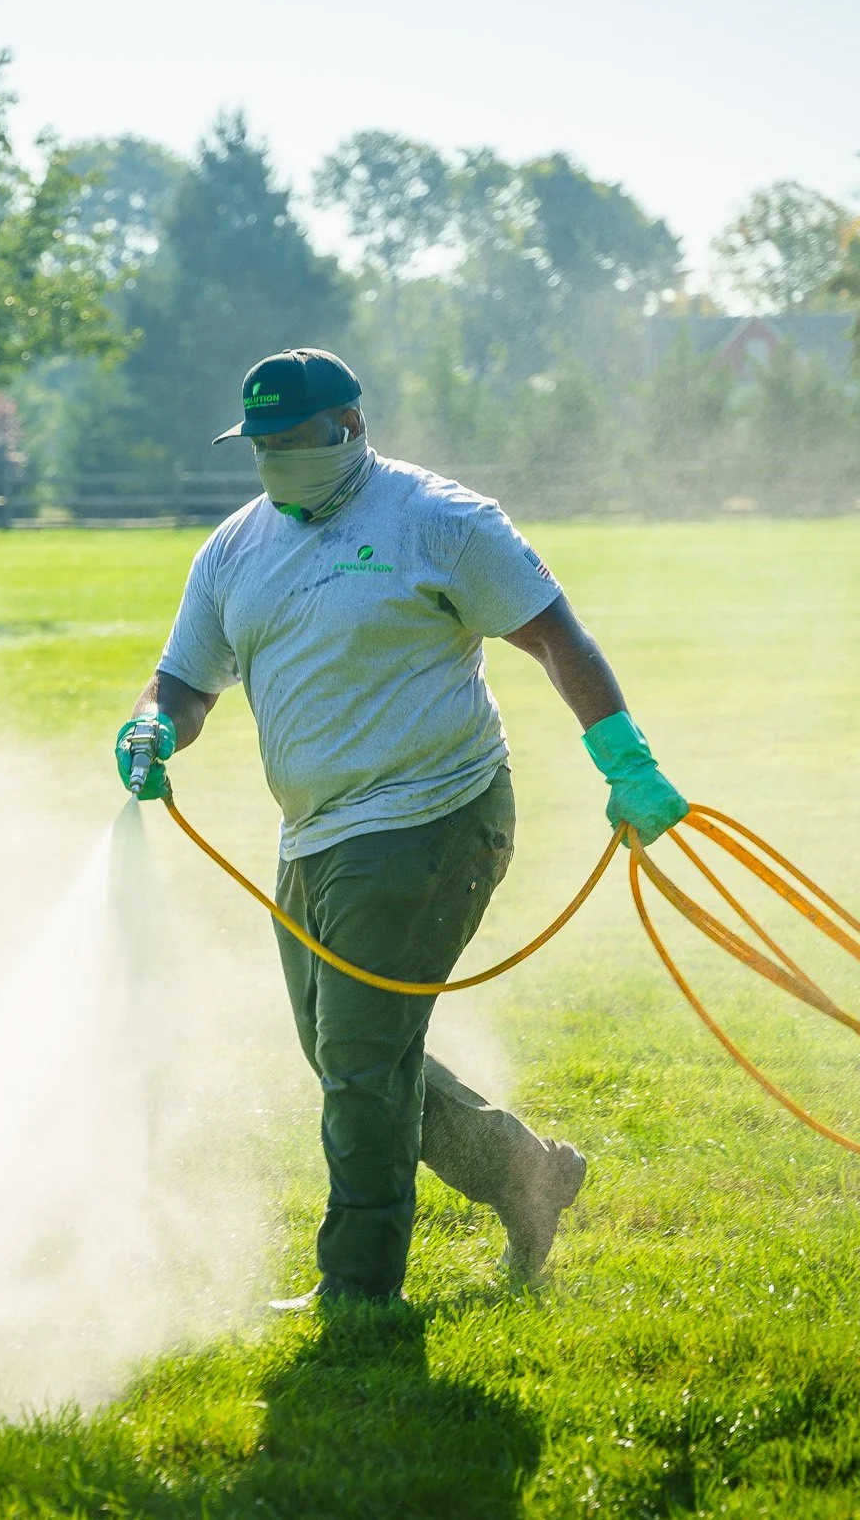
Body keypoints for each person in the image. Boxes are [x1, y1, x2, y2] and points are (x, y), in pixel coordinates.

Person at [115, 347, 688, 1308]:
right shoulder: (234, 550)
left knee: (358, 1059)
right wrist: (153, 723)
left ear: (348, 427)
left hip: (436, 816)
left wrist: (628, 761)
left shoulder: (439, 520)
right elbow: (185, 677)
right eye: (257, 444)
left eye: (287, 440)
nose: (270, 460)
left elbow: (554, 634)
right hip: (314, 836)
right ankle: (524, 1171)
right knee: (348, 1047)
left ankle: (359, 1287)